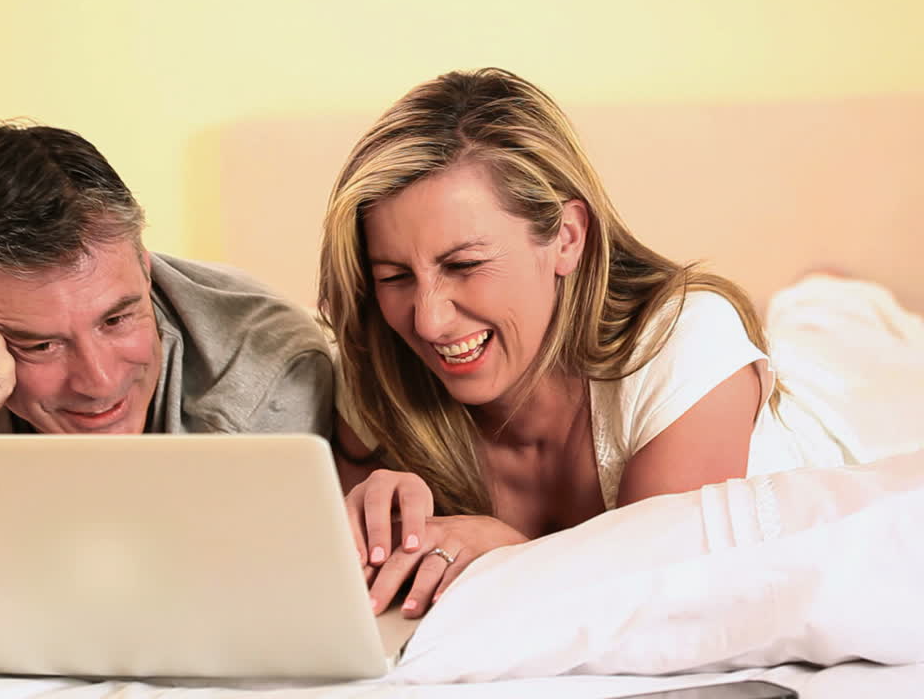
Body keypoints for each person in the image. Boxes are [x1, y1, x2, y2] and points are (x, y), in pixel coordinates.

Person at [317, 68, 863, 619]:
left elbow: (664, 603)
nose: (429, 321)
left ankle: (831, 298)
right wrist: (359, 527)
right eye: (394, 276)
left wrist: (507, 556)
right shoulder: (374, 369)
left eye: (464, 264)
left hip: (845, 410)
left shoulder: (683, 342)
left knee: (841, 334)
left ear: (567, 238)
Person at [0, 124, 335, 598]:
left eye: (117, 319)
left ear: (144, 269)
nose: (99, 382)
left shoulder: (262, 363)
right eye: (40, 345)